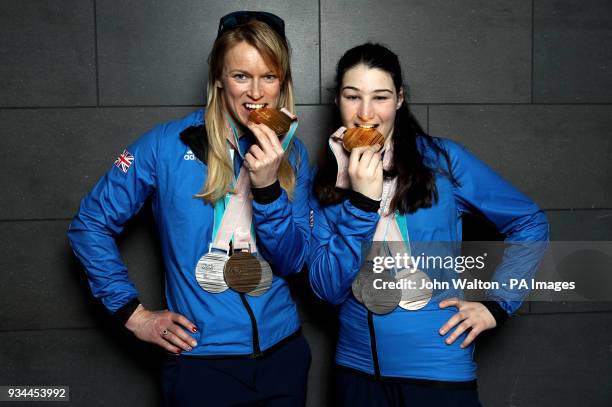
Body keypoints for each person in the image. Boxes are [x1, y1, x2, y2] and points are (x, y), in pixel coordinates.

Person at [68, 11, 311, 407]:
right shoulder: (165, 145)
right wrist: (133, 314)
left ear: (282, 82)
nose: (256, 92)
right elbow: (90, 225)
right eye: (240, 76)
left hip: (284, 358)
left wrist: (267, 188)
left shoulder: (292, 153)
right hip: (202, 366)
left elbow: (294, 260)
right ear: (218, 78)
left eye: (269, 76)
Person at [308, 43, 549, 406]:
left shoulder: (444, 161)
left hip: (437, 373)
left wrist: (498, 304)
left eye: (381, 97)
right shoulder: (327, 179)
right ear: (338, 100)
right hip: (355, 372)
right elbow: (328, 289)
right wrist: (357, 198)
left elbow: (529, 222)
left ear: (400, 99)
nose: (365, 113)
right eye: (352, 96)